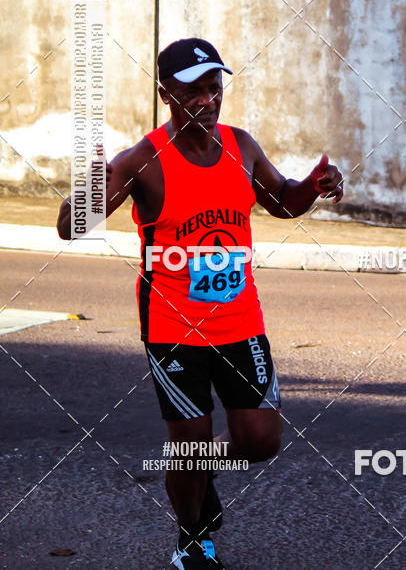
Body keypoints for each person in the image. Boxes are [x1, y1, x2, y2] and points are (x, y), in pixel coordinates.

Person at [57, 37, 344, 569]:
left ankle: (198, 468)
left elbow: (281, 200)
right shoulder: (144, 160)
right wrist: (94, 185)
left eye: (216, 88)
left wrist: (315, 184)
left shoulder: (241, 145)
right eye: (195, 91)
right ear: (167, 93)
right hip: (173, 327)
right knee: (187, 444)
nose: (209, 100)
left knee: (259, 442)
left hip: (241, 321)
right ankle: (192, 538)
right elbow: (70, 228)